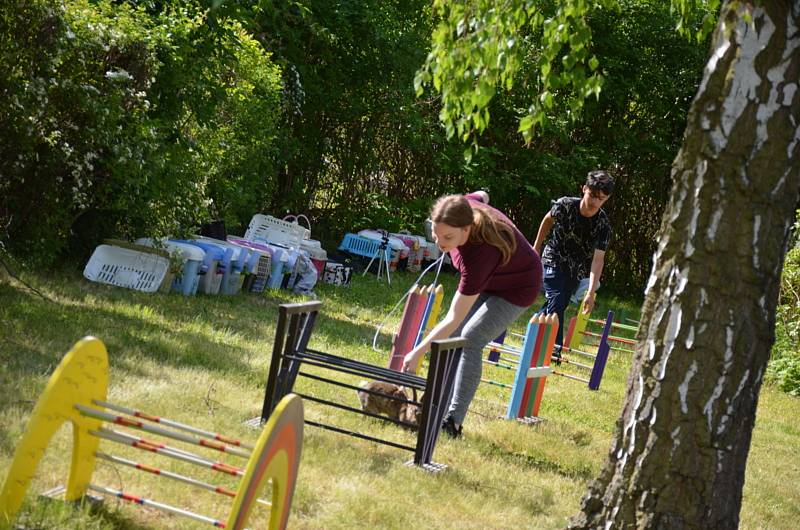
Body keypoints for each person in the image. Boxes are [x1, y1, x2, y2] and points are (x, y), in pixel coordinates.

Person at [402, 192, 542, 438]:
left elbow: (453, 318)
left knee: (471, 337)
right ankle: (433, 407)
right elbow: (484, 195)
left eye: (448, 237)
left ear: (466, 230)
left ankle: (453, 422)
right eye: (436, 234)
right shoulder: (460, 206)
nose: (440, 243)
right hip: (492, 278)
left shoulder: (477, 256)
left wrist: (418, 352)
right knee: (451, 338)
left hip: (519, 286)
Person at [532, 170, 614, 361]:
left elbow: (597, 260)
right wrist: (535, 248)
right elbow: (547, 220)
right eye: (592, 195)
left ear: (606, 199)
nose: (594, 202)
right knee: (557, 299)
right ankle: (553, 350)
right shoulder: (565, 204)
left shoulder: (603, 225)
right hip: (552, 257)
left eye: (600, 199)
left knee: (557, 305)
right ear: (584, 189)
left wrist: (591, 292)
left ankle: (534, 327)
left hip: (575, 268)